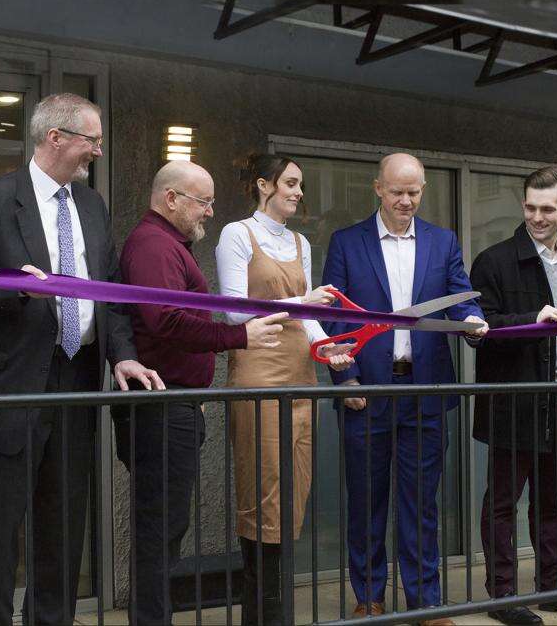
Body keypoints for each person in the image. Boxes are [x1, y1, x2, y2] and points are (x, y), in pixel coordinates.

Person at [0, 93, 161, 626]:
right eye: (92, 140)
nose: (99, 151)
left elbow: (110, 292)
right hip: (11, 386)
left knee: (62, 525)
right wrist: (16, 290)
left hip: (76, 378)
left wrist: (122, 356)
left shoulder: (92, 205)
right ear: (55, 137)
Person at [115, 159, 287, 626]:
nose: (210, 211)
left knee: (166, 526)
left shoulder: (166, 245)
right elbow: (165, 320)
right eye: (203, 202)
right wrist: (238, 336)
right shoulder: (154, 246)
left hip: (173, 402)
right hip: (163, 404)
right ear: (171, 199)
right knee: (161, 528)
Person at [321, 152, 487, 623]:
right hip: (366, 391)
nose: (406, 201)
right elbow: (333, 315)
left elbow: (459, 295)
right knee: (366, 501)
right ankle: (369, 597)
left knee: (421, 504)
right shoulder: (347, 242)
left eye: (413, 192)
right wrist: (345, 378)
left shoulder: (443, 240)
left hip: (424, 392)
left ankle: (425, 602)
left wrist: (472, 321)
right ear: (378, 188)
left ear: (423, 190)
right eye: (397, 191)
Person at [470, 166, 557, 625]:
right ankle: (503, 596)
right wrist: (532, 319)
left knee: (551, 502)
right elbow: (480, 331)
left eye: (547, 209)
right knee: (502, 503)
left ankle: (553, 588)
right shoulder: (493, 260)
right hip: (515, 403)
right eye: (530, 207)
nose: (536, 217)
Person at [215, 154, 354, 625]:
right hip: (259, 375)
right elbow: (235, 312)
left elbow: (309, 319)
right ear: (264, 185)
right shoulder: (237, 234)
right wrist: (301, 300)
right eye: (291, 183)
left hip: (300, 375)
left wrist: (328, 348)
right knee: (263, 489)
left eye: (300, 184)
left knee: (294, 488)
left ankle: (277, 610)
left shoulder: (300, 242)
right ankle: (264, 613)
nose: (298, 192)